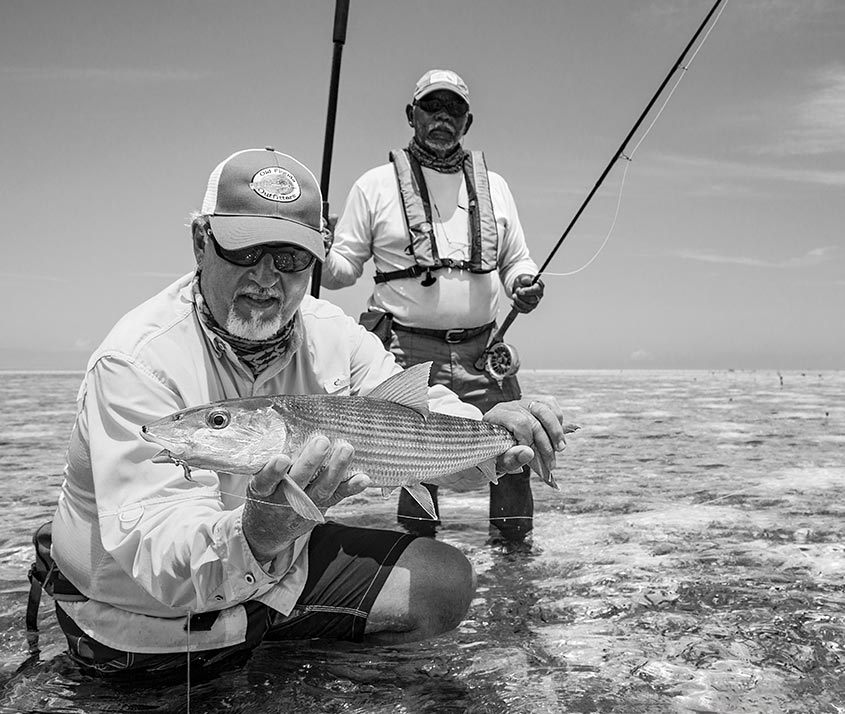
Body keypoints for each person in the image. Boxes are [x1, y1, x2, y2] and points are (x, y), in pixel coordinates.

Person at [47, 147, 567, 677]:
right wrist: (259, 533)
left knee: (443, 579)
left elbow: (417, 412)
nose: (268, 278)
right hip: (142, 613)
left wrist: (495, 430)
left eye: (292, 258)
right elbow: (157, 548)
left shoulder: (333, 334)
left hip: (280, 571)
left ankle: (315, 677)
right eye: (246, 251)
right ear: (202, 243)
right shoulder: (136, 362)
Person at [321, 69, 545, 543]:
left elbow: (516, 260)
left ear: (468, 121)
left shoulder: (496, 186)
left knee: (513, 444)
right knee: (416, 461)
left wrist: (523, 282)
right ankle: (419, 553)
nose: (442, 118)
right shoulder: (374, 185)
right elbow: (342, 269)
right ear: (412, 115)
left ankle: (513, 549)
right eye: (431, 108)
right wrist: (314, 252)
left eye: (454, 110)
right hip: (404, 349)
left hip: (484, 349)